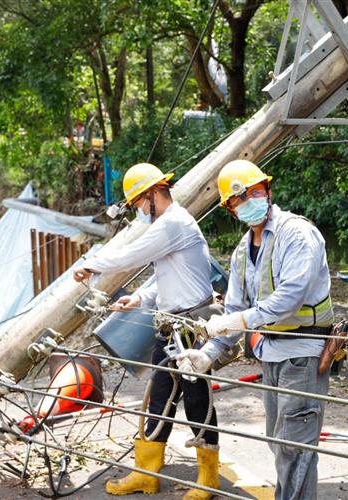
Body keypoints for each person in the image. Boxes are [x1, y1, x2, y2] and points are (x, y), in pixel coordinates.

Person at [176, 160, 334, 500]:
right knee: (279, 441)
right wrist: (206, 355)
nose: (248, 201)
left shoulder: (296, 233)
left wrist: (239, 321)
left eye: (253, 193)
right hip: (271, 354)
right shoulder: (242, 253)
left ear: (268, 192)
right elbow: (232, 312)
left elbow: (290, 297)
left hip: (303, 352)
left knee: (295, 445)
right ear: (230, 210)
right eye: (238, 199)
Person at [73, 162, 220, 499]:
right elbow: (163, 277)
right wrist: (137, 298)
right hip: (170, 327)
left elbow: (132, 254)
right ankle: (146, 474)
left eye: (139, 202)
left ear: (154, 194)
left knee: (198, 401)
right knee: (158, 400)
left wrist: (91, 263)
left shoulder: (174, 224)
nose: (138, 209)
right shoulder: (167, 226)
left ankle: (207, 479)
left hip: (190, 329)